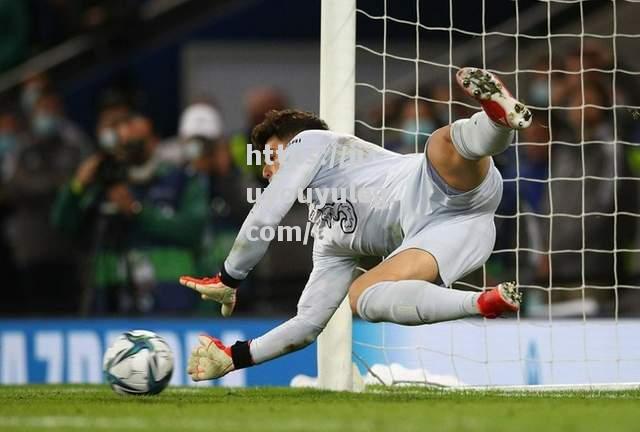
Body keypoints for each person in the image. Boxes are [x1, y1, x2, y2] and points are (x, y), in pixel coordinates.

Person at [179, 67, 531, 381]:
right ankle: (483, 303)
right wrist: (235, 356)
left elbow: (267, 213)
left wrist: (228, 277)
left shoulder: (312, 141)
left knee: (442, 143)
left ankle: (496, 119)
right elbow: (307, 324)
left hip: (440, 184)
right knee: (361, 296)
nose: (267, 170)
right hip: (451, 234)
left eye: (272, 158)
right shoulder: (330, 236)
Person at [52, 114, 209, 314]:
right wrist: (77, 186)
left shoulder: (179, 179)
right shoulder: (105, 182)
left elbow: (193, 230)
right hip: (110, 296)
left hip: (169, 295)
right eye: (124, 142)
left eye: (137, 141)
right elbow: (62, 223)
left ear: (154, 142)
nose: (128, 147)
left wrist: (137, 211)